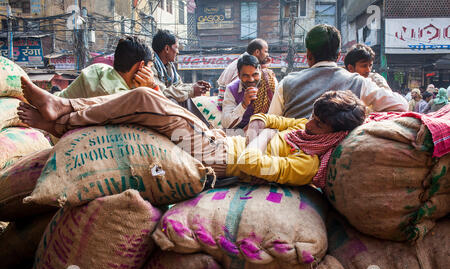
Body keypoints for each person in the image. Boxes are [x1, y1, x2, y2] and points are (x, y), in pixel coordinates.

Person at [17, 76, 366, 189]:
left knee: (144, 98)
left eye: (318, 124)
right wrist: (259, 130)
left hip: (218, 157)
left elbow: (253, 163)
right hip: (220, 143)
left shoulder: (306, 163)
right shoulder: (306, 132)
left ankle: (61, 117)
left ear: (333, 134)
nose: (308, 125)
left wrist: (253, 136)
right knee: (148, 98)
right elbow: (270, 121)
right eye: (312, 118)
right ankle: (62, 110)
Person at [265, 24, 407, 122]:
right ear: (339, 56)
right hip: (342, 161)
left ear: (308, 55)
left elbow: (271, 122)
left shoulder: (287, 83)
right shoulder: (358, 82)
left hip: (294, 159)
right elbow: (401, 105)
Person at [55, 36, 157, 99]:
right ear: (141, 66)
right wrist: (152, 87)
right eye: (150, 67)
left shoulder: (98, 68)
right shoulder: (120, 97)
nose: (150, 72)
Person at [151, 29, 212, 127]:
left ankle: (203, 127)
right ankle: (198, 129)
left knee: (184, 97)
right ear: (167, 49)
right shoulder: (151, 66)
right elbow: (163, 93)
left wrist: (195, 86)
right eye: (176, 48)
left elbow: (178, 86)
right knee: (174, 100)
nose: (178, 52)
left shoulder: (170, 67)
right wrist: (191, 90)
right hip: (156, 107)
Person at [221, 54, 277, 129]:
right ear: (239, 75)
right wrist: (243, 104)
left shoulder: (270, 82)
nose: (251, 79)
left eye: (255, 74)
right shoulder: (231, 89)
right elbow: (226, 123)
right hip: (240, 132)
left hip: (266, 129)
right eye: (246, 76)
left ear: (260, 71)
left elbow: (278, 114)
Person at [217, 38, 274, 107]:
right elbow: (239, 91)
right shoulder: (243, 66)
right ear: (257, 52)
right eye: (265, 51)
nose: (267, 55)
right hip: (230, 106)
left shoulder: (244, 63)